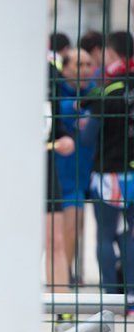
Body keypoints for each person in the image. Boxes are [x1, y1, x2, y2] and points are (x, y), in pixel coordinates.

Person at [81, 31, 134, 313]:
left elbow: (88, 138)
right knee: (129, 234)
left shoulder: (108, 90)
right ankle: (132, 297)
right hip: (132, 173)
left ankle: (110, 298)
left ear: (113, 55)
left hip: (109, 173)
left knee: (104, 235)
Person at [56, 49, 96, 286]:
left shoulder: (96, 94)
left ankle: (69, 274)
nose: (84, 70)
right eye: (78, 65)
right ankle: (64, 278)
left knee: (79, 228)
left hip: (90, 174)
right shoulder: (56, 94)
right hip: (63, 178)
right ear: (65, 68)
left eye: (88, 65)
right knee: (66, 230)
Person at [47, 62, 76, 330]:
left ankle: (63, 310)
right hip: (9, 171)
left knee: (56, 241)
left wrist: (64, 137)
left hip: (45, 167)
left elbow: (55, 124)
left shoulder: (49, 73)